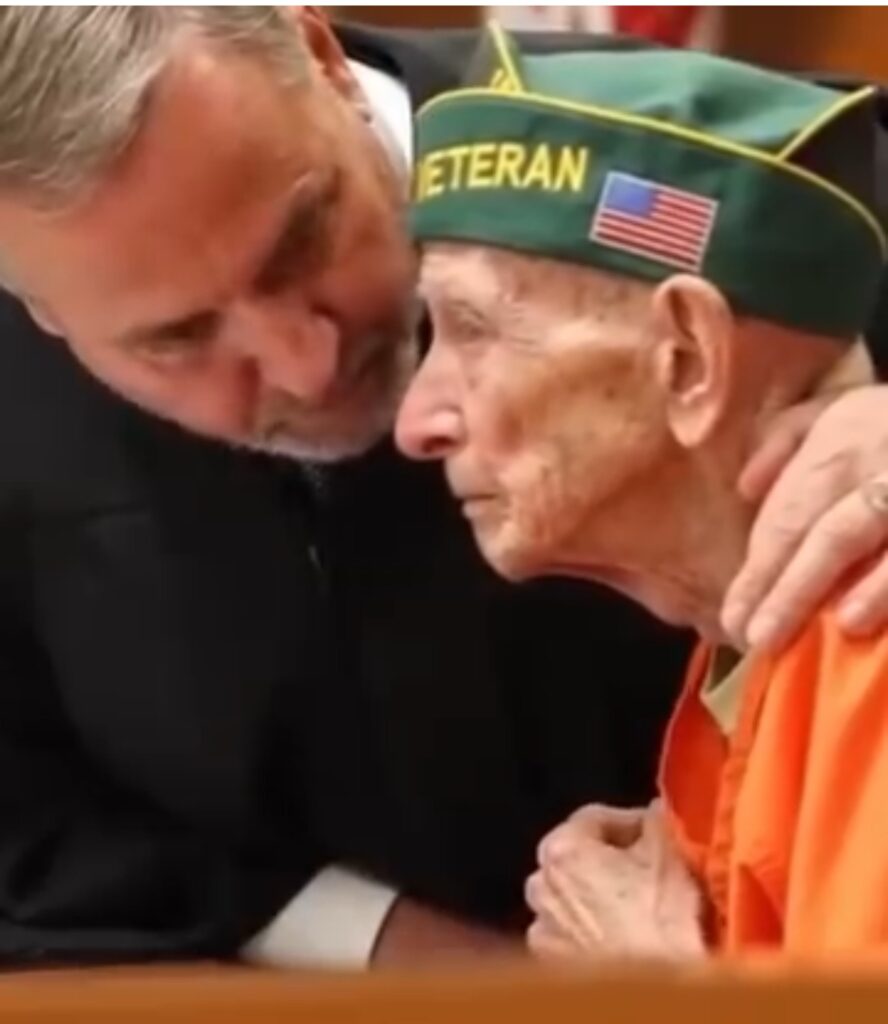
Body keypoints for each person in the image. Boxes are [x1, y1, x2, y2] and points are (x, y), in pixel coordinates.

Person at [0, 6, 881, 970]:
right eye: (177, 339)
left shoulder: (704, 173)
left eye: (302, 240)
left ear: (321, 56)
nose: (305, 366)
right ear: (36, 308)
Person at [397, 29, 888, 954]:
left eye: (471, 328)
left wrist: (655, 988)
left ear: (689, 359)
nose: (415, 423)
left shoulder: (867, 645)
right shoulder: (747, 647)